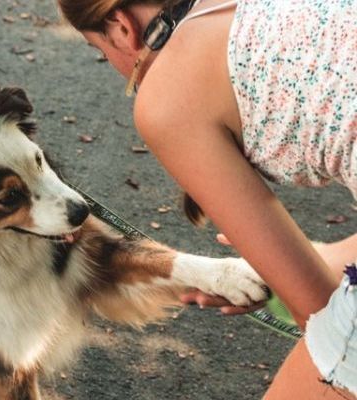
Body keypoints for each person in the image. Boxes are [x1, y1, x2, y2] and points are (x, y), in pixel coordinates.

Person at [55, 0, 357, 398]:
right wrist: (289, 262)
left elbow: (317, 311)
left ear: (121, 26)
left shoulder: (167, 96)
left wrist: (290, 282)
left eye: (101, 50)